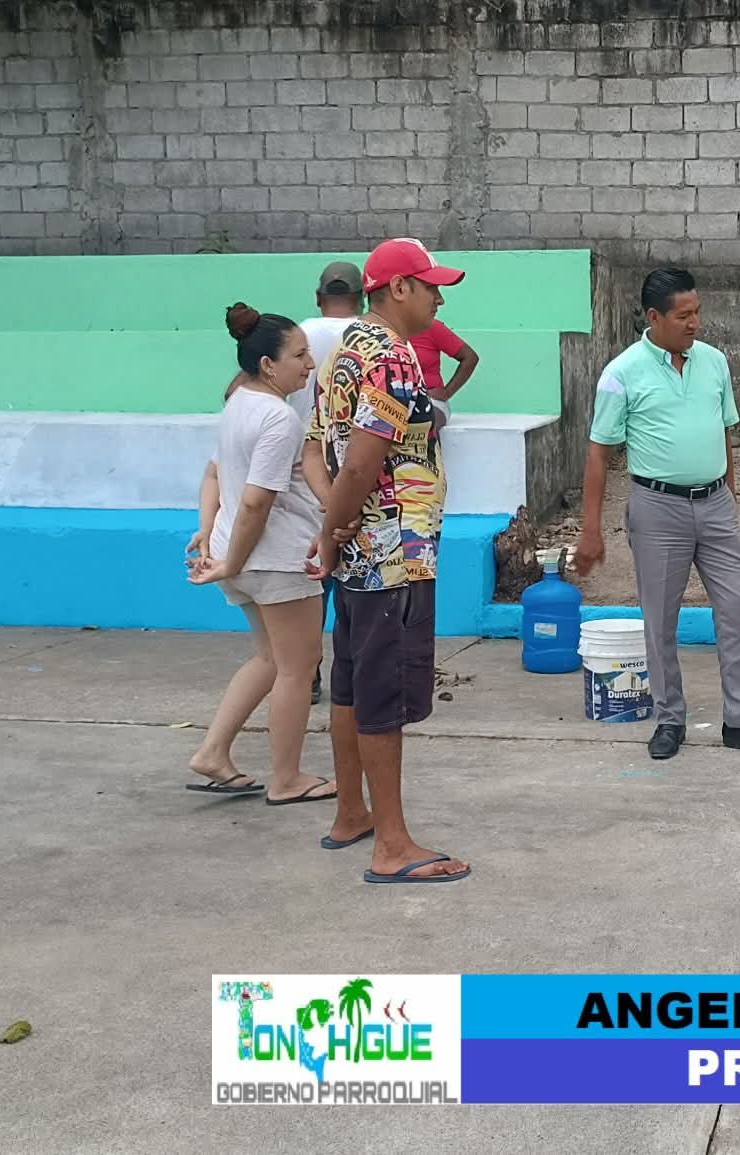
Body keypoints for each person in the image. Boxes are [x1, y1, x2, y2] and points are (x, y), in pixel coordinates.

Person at [572, 267, 740, 762]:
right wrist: (591, 530)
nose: (695, 323)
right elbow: (598, 454)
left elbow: (723, 433)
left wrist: (729, 498)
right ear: (654, 317)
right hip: (657, 509)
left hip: (715, 505)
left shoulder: (714, 362)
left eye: (697, 312)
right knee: (660, 620)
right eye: (683, 315)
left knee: (737, 606)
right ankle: (670, 719)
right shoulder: (621, 373)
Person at [305, 237, 470, 884]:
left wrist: (334, 527)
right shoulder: (393, 357)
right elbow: (363, 461)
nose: (439, 299)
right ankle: (392, 845)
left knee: (350, 682)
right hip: (394, 554)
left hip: (359, 555)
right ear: (398, 288)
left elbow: (314, 453)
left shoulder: (343, 351)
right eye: (431, 286)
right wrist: (332, 531)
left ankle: (352, 813)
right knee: (383, 694)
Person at [182, 304, 333, 805]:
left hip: (241, 555)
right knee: (299, 667)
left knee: (271, 659)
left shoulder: (238, 403)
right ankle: (287, 779)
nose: (309, 364)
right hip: (273, 558)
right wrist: (232, 559)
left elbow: (214, 474)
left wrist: (210, 535)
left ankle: (213, 752)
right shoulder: (278, 417)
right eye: (299, 355)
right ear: (268, 365)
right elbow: (255, 501)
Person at [299, 262, 365, 704]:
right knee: (356, 583)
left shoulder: (298, 335)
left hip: (303, 472)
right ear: (361, 298)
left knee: (311, 583)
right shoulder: (369, 337)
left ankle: (307, 674)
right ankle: (353, 674)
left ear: (318, 297)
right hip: (355, 470)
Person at [408, 314, 480, 428]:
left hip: (431, 400)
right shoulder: (381, 329)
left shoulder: (431, 326)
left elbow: (470, 357)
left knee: (424, 424)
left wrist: (447, 392)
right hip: (390, 400)